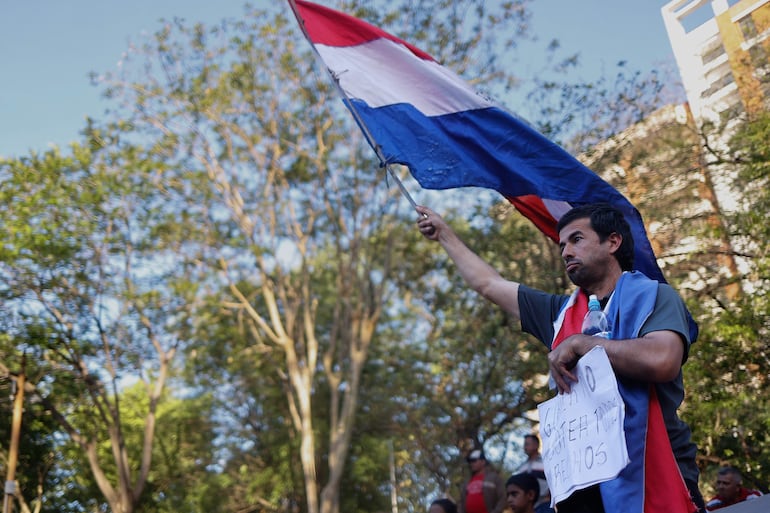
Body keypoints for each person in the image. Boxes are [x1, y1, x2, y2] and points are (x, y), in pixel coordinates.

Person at [416, 203, 705, 513]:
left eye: (576, 239)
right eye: (562, 245)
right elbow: (489, 284)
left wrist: (583, 343)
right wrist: (445, 234)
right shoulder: (559, 314)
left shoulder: (655, 296)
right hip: (582, 482)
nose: (566, 251)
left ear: (613, 241)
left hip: (655, 468)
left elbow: (662, 360)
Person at [458, 449, 506, 513]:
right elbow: (461, 502)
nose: (471, 463)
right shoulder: (467, 481)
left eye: (474, 461)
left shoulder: (494, 478)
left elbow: (503, 497)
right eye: (470, 461)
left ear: (483, 462)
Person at [515, 434, 553, 513]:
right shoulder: (522, 467)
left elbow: (553, 480)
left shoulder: (546, 463)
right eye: (524, 445)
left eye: (527, 444)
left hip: (544, 504)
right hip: (527, 507)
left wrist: (550, 496)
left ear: (536, 445)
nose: (524, 447)